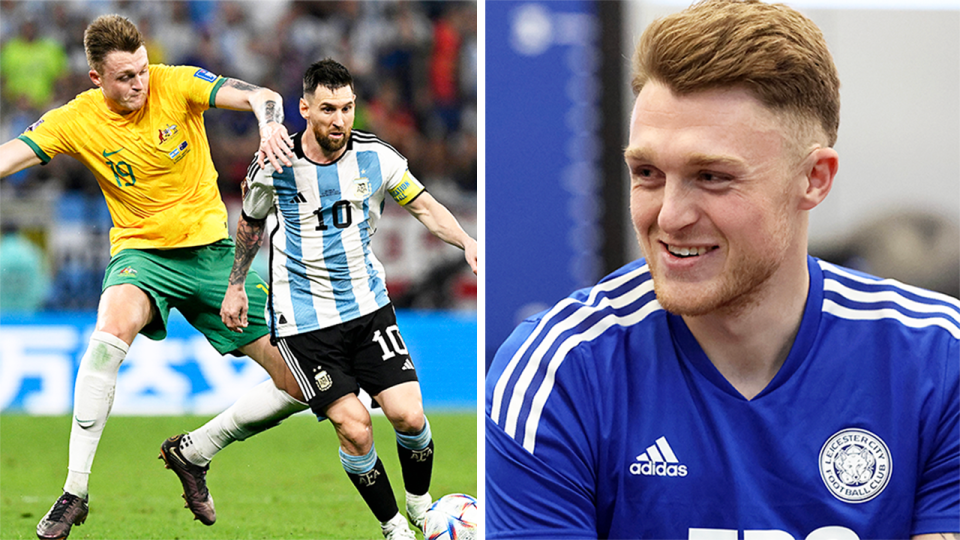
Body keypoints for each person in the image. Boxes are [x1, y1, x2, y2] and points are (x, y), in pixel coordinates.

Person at [485, 1, 960, 539]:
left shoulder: (939, 362)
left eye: (710, 176)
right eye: (647, 172)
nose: (669, 216)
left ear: (814, 179)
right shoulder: (560, 373)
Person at [0, 14, 313, 540]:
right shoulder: (75, 119)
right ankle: (74, 492)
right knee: (108, 335)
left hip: (215, 257)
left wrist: (267, 123)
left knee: (302, 384)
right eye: (125, 77)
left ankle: (195, 451)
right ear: (96, 77)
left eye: (142, 70)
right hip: (141, 254)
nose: (139, 83)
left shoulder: (176, 83)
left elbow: (263, 95)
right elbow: (11, 156)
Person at [219, 59, 478, 540]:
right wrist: (236, 285)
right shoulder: (274, 162)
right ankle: (394, 527)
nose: (339, 120)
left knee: (409, 415)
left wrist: (467, 241)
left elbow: (421, 204)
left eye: (347, 108)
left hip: (367, 307)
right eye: (328, 109)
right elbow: (251, 222)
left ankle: (421, 506)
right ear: (304, 108)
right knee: (355, 427)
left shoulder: (375, 157)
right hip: (304, 322)